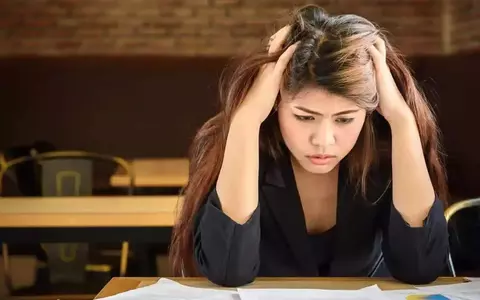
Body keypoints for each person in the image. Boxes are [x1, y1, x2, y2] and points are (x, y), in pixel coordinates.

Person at [169, 5, 450, 287]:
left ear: (368, 112)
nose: (323, 140)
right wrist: (246, 119)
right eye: (304, 117)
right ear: (276, 103)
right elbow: (227, 271)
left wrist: (401, 120)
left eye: (344, 119)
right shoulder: (240, 143)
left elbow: (421, 268)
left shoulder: (386, 149)